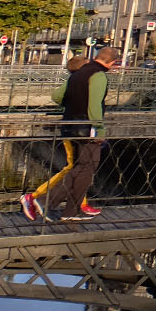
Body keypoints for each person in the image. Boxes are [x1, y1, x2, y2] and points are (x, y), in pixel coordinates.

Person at [28, 47, 119, 222]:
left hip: (69, 125)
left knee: (81, 169)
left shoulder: (78, 73)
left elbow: (58, 96)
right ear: (112, 63)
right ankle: (46, 201)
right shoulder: (98, 75)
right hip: (86, 129)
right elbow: (94, 105)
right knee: (85, 168)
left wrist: (71, 106)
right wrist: (99, 130)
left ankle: (71, 211)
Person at [22, 57, 88, 217]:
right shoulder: (77, 80)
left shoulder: (76, 79)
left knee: (79, 168)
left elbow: (58, 97)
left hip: (74, 126)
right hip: (75, 128)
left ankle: (81, 203)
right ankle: (34, 197)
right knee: (73, 167)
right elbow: (57, 96)